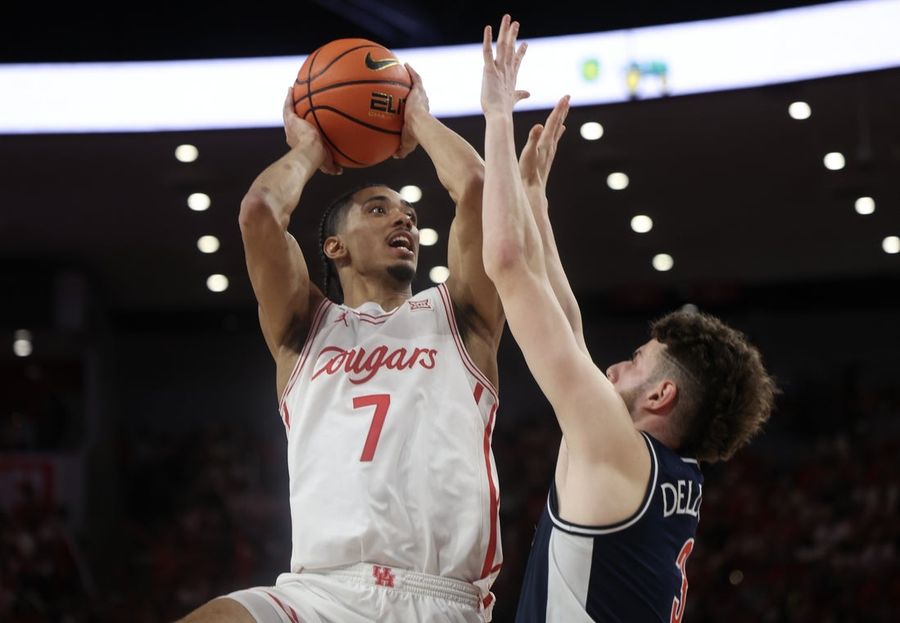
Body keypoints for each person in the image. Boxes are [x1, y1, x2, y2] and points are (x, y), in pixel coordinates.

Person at [178, 60, 505, 622]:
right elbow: (259, 212)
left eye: (409, 214)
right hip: (319, 594)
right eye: (378, 210)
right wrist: (310, 148)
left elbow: (477, 186)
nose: (403, 220)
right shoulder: (304, 329)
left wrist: (418, 120)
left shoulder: (462, 317)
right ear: (334, 248)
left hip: (438, 597)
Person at [480, 15, 777, 622]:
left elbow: (507, 265)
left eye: (638, 361)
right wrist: (535, 204)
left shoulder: (616, 446)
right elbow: (567, 326)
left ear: (662, 394)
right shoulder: (670, 473)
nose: (614, 366)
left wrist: (496, 117)